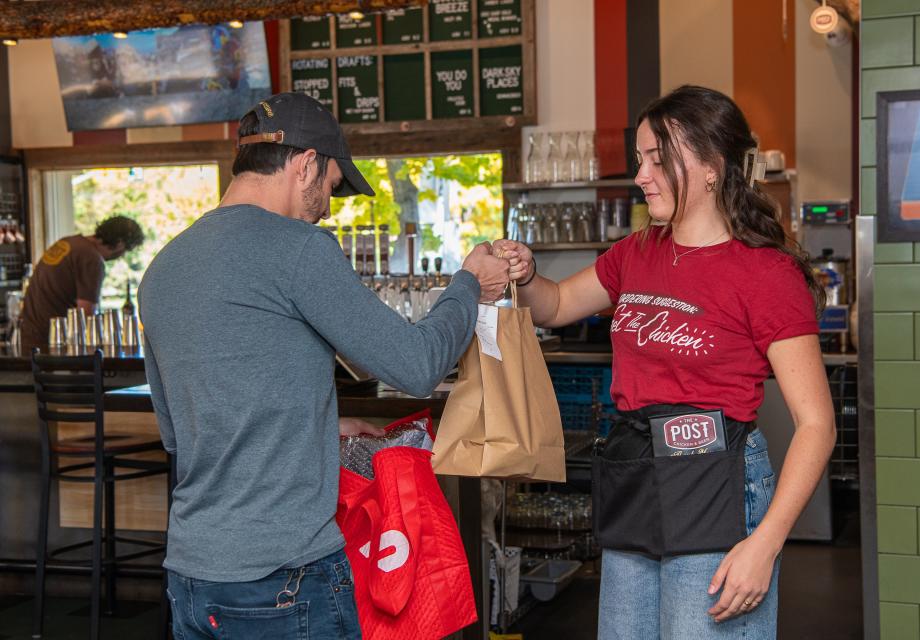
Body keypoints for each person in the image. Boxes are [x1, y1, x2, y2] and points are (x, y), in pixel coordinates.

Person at [138, 92, 510, 639]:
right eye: (332, 186)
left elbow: (185, 431)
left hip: (192, 580)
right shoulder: (299, 248)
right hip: (284, 579)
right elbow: (416, 364)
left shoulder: (162, 268)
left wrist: (318, 428)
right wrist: (469, 286)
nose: (329, 207)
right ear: (305, 163)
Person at [494, 85, 836, 639]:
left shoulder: (765, 274)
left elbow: (818, 425)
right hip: (637, 471)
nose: (641, 175)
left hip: (716, 483)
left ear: (711, 168)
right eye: (640, 161)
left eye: (658, 160)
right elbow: (555, 305)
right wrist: (527, 275)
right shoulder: (637, 252)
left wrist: (765, 544)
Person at [20, 216, 143, 349]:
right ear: (120, 244)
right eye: (126, 251)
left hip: (29, 338)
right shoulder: (92, 259)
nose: (122, 256)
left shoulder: (67, 242)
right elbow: (87, 317)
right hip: (54, 345)